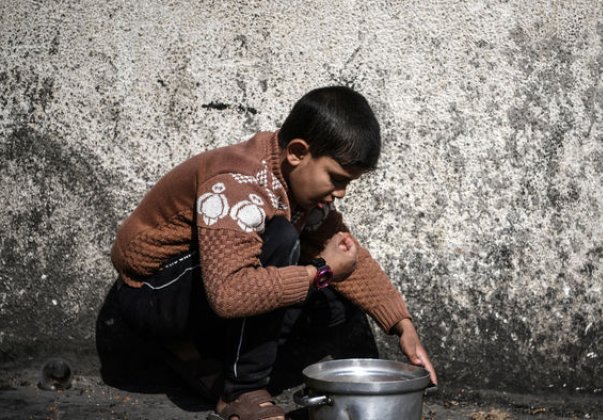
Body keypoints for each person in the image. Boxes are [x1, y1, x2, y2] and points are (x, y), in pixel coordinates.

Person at [110, 86, 437, 420]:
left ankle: (209, 363)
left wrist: (403, 326)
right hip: (151, 295)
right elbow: (228, 294)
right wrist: (319, 271)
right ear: (297, 152)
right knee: (282, 238)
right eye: (336, 178)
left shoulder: (298, 188)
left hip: (203, 294)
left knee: (334, 301)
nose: (340, 192)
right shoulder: (238, 182)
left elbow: (349, 256)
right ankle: (241, 391)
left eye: (348, 183)